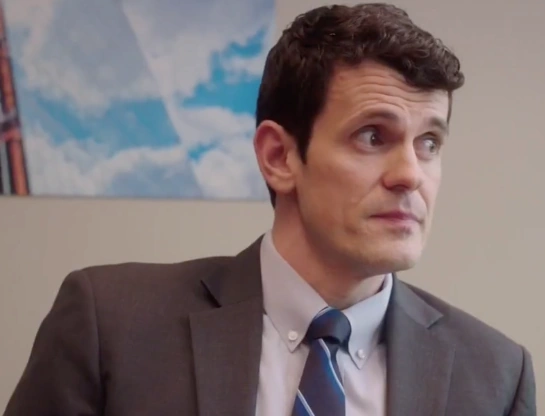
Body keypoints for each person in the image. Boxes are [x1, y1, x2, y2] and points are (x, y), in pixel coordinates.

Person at [3, 3, 536, 416]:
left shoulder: (495, 377)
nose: (410, 175)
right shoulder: (111, 327)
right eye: (373, 136)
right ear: (279, 157)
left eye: (429, 144)